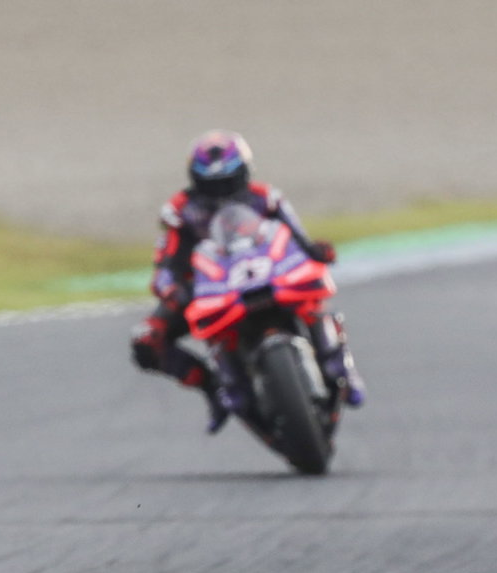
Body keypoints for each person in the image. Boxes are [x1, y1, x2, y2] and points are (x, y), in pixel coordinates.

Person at [130, 130, 364, 431]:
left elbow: (298, 237)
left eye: (229, 182)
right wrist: (171, 288)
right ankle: (213, 388)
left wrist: (315, 251)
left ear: (244, 172)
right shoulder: (180, 211)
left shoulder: (266, 198)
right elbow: (167, 261)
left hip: (265, 272)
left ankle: (341, 367)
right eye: (212, 185)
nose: (221, 193)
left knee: (312, 299)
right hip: (208, 288)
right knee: (146, 340)